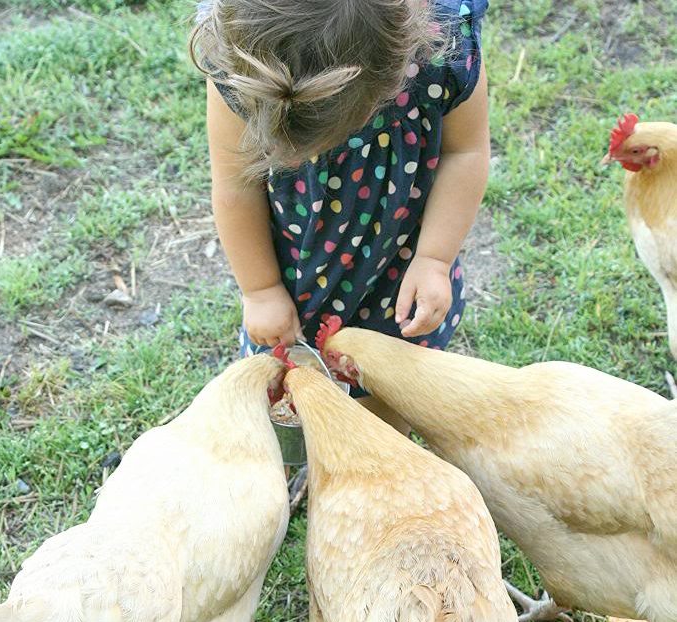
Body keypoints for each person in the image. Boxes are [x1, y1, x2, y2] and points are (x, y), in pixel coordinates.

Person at [192, 0, 490, 431]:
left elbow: (465, 152)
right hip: (297, 267)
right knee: (290, 382)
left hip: (398, 260)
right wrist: (261, 289)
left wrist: (434, 260)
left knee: (391, 386)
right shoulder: (241, 62)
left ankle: (380, 449)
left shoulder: (444, 47)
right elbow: (236, 183)